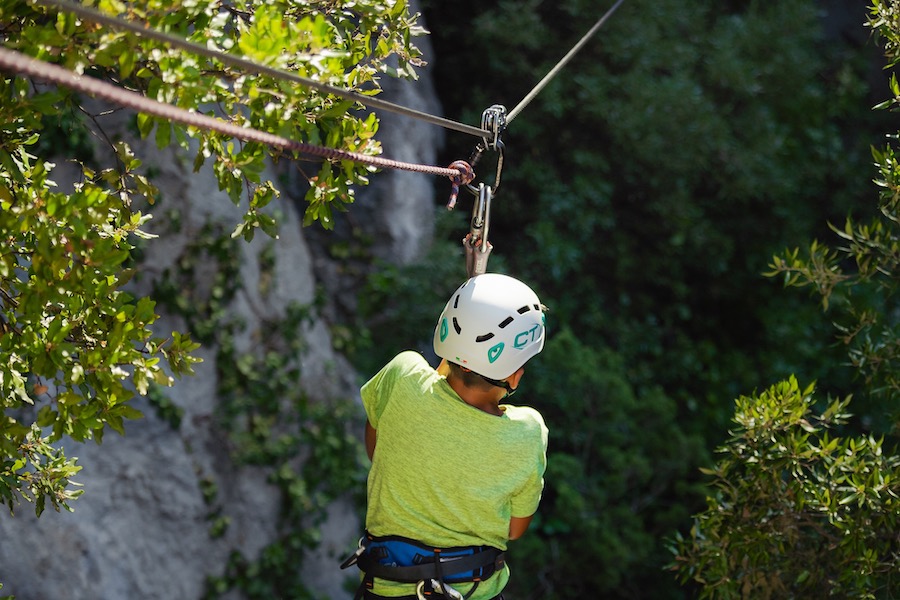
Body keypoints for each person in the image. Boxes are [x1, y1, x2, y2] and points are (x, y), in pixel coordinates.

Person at [345, 273, 549, 600]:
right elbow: (515, 529)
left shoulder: (401, 375)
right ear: (514, 372)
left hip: (383, 589)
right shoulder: (527, 432)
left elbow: (378, 449)